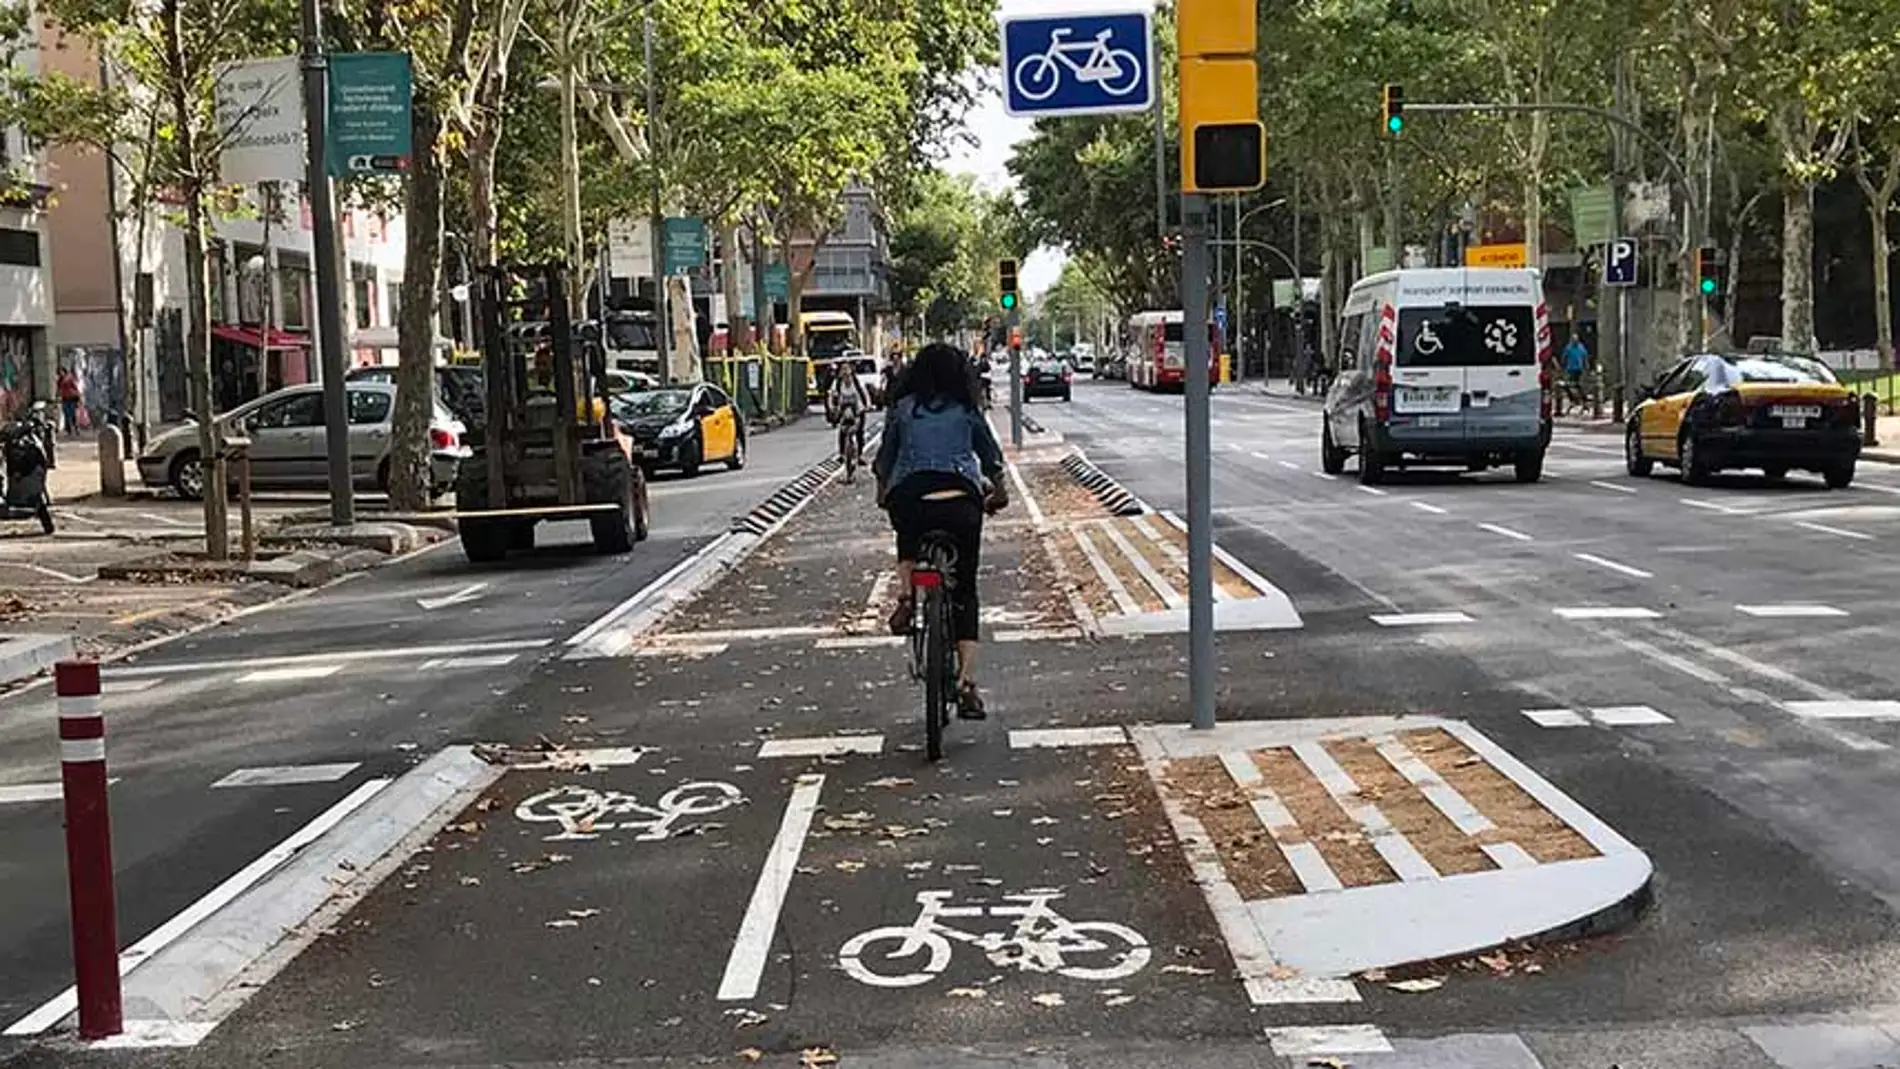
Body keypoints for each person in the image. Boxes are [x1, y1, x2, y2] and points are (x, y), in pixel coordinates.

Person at [875, 342, 1008, 719]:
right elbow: (990, 456)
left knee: (906, 532)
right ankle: (967, 684)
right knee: (964, 587)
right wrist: (999, 493)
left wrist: (884, 493)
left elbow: (885, 459)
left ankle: (904, 596)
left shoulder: (902, 409)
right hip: (960, 503)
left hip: (912, 499)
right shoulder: (966, 409)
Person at [826, 359, 870, 464]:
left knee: (860, 431)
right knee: (842, 431)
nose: (845, 372)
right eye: (843, 369)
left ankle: (860, 455)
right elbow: (831, 396)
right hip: (843, 408)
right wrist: (831, 407)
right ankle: (841, 454)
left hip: (857, 408)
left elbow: (865, 394)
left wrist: (867, 405)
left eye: (847, 369)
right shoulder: (837, 383)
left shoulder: (857, 382)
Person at [1561, 334, 1589, 414]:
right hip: (1570, 369)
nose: (1574, 341)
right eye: (1573, 339)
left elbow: (1585, 357)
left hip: (1579, 369)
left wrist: (1586, 367)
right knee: (1568, 385)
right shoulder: (1568, 348)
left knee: (1578, 385)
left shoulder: (1581, 347)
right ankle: (1573, 399)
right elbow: (1564, 357)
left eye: (1576, 339)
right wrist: (1563, 367)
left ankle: (1583, 400)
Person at [56, 368, 80, 436]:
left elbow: (75, 388)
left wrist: (77, 398)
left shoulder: (69, 378)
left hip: (71, 398)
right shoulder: (60, 380)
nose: (61, 373)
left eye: (61, 372)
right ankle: (69, 430)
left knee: (72, 415)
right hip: (65, 399)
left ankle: (76, 428)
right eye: (59, 372)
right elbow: (59, 390)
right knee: (67, 415)